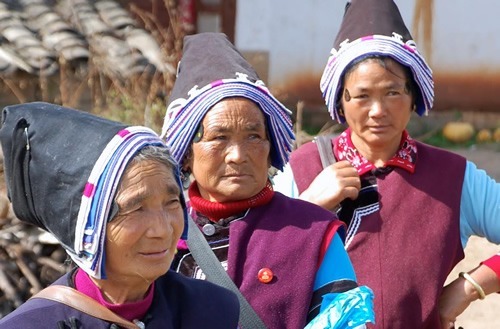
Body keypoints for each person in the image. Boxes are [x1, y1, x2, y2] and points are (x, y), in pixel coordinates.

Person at [272, 1, 500, 328]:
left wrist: (470, 287)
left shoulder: (453, 177)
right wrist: (306, 206)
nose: (378, 110)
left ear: (414, 95)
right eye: (362, 96)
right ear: (341, 101)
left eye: (393, 92)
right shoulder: (302, 170)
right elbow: (256, 264)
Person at [161, 32, 374, 329]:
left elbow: (344, 322)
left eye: (253, 136)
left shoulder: (312, 234)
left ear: (269, 146)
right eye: (219, 138)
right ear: (186, 154)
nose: (237, 155)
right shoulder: (162, 232)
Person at [0, 102, 240, 328]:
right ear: (85, 229)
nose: (163, 230)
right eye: (136, 208)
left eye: (170, 203)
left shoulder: (213, 309)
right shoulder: (33, 324)